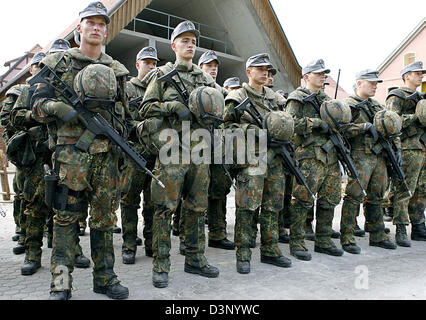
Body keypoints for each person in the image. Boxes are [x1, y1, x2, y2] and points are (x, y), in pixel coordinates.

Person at [31, 1, 130, 300]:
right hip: (71, 156)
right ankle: (60, 282)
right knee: (65, 219)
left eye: (102, 24)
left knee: (104, 220)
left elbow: (125, 112)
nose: (97, 28)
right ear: (79, 29)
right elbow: (35, 107)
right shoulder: (59, 64)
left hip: (106, 156)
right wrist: (57, 108)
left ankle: (105, 278)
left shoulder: (117, 70)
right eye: (91, 23)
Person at [139, 20, 220, 288]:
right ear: (174, 45)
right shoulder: (162, 75)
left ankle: (195, 258)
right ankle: (161, 264)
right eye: (184, 41)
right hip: (172, 150)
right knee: (164, 208)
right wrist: (172, 106)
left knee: (197, 208)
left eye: (193, 41)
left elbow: (219, 109)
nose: (190, 45)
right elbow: (146, 108)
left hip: (199, 150)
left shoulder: (204, 78)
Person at [223, 53, 292, 274]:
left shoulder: (276, 99)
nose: (265, 72)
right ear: (248, 71)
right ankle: (243, 253)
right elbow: (224, 129)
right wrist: (252, 131)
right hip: (251, 160)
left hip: (275, 161)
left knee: (273, 207)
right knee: (247, 208)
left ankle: (270, 250)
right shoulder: (237, 96)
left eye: (267, 69)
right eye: (260, 68)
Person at [286, 59, 344, 261]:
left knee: (330, 200)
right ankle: (297, 242)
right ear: (306, 76)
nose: (323, 76)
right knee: (302, 200)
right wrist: (315, 123)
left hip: (330, 156)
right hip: (309, 156)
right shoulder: (297, 98)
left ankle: (323, 240)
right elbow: (288, 124)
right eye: (318, 73)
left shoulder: (328, 100)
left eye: (324, 73)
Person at [340, 69, 397, 254]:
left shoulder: (377, 106)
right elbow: (341, 129)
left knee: (376, 196)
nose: (375, 86)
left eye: (376, 83)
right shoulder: (347, 105)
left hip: (378, 156)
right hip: (359, 155)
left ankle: (377, 233)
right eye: (370, 83)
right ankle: (347, 236)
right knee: (354, 195)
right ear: (359, 84)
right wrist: (362, 127)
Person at [120, 46, 159, 263]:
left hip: (155, 154)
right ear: (137, 65)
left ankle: (152, 243)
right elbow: (120, 120)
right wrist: (140, 126)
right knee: (129, 201)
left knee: (153, 203)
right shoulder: (127, 89)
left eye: (154, 64)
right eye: (147, 63)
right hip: (133, 154)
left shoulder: (159, 88)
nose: (152, 67)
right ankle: (128, 243)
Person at [198, 49, 235, 251]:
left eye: (215, 67)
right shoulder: (196, 88)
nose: (212, 70)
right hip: (197, 145)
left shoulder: (224, 94)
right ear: (200, 67)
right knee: (193, 191)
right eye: (208, 66)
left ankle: (217, 233)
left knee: (219, 190)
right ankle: (187, 236)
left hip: (219, 146)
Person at [386, 61, 426, 246]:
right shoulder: (397, 95)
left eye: (421, 73)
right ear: (406, 76)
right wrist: (415, 117)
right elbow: (390, 121)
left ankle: (418, 226)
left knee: (421, 190)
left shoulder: (421, 97)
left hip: (422, 146)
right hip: (408, 148)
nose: (420, 76)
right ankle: (401, 228)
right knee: (405, 190)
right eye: (416, 73)